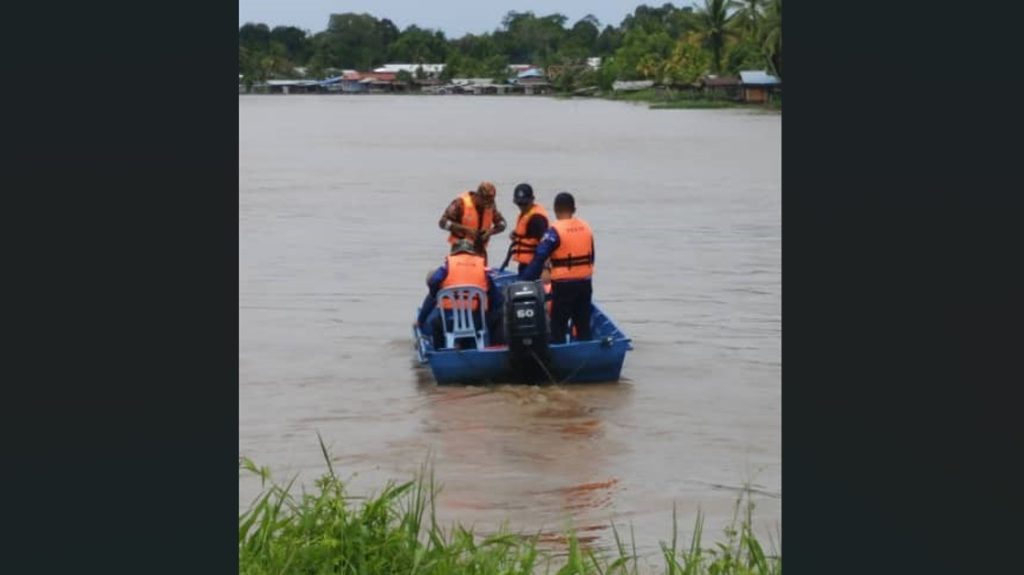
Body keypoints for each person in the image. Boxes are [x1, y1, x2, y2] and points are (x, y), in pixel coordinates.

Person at [519, 192, 594, 343]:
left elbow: (540, 256)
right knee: (583, 324)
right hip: (585, 284)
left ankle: (559, 352)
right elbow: (592, 256)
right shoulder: (586, 227)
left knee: (558, 325)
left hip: (564, 287)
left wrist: (524, 280)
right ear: (574, 209)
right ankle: (586, 351)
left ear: (555, 209)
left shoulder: (555, 231)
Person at [417, 239, 504, 349]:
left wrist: (437, 292)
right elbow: (497, 300)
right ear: (472, 253)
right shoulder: (482, 269)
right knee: (498, 315)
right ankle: (495, 347)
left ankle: (439, 352)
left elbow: (433, 281)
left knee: (435, 323)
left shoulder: (446, 267)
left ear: (454, 253)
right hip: (476, 322)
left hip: (449, 322)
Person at [438, 181, 507, 262]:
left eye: (489, 203)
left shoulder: (490, 205)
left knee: (480, 273)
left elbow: (502, 224)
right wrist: (466, 230)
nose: (486, 205)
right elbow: (443, 223)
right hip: (460, 250)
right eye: (484, 202)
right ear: (478, 196)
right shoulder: (460, 203)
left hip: (480, 249)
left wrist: (490, 232)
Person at [507, 183, 549, 274]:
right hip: (525, 264)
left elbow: (546, 245)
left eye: (524, 203)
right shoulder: (526, 214)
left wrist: (546, 268)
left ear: (532, 200)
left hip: (535, 266)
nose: (521, 206)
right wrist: (516, 235)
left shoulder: (537, 219)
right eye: (519, 203)